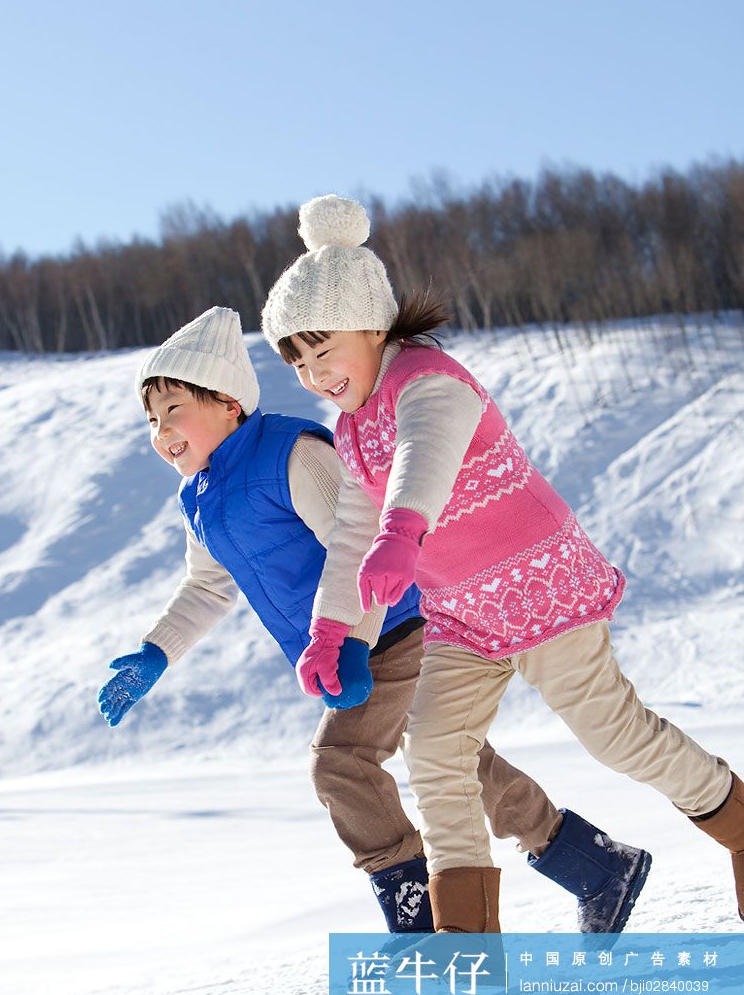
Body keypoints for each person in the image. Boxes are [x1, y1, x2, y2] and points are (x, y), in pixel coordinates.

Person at [260, 193, 744, 934]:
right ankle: (469, 939)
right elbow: (352, 538)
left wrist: (403, 532)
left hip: (539, 588)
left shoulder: (430, 381)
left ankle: (740, 824)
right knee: (436, 754)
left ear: (374, 324)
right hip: (463, 616)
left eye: (322, 349)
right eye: (295, 358)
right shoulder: (353, 431)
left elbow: (425, 458)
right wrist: (337, 632)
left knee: (614, 733)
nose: (312, 372)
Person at [96, 305, 653, 935]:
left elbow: (356, 539)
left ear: (228, 404)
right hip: (354, 644)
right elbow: (208, 585)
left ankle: (414, 916)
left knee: (341, 763)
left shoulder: (291, 453)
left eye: (174, 410)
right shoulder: (200, 497)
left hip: (394, 625)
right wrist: (155, 653)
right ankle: (595, 865)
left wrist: (352, 639)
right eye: (151, 419)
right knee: (458, 761)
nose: (161, 430)